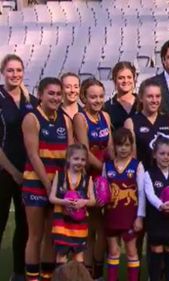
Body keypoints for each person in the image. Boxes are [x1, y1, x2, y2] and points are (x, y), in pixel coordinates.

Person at [22, 77, 73, 281]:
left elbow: (70, 154)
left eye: (58, 94)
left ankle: (47, 277)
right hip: (37, 183)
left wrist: (66, 185)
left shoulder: (65, 120)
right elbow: (33, 155)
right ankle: (32, 278)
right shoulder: (31, 118)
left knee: (53, 237)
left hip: (58, 186)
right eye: (50, 93)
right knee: (35, 235)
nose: (55, 97)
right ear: (40, 94)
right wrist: (48, 185)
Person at [0, 54, 37, 281]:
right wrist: (13, 172)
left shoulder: (29, 98)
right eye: (10, 70)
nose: (15, 74)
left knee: (25, 226)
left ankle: (19, 273)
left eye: (18, 70)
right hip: (4, 171)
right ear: (3, 72)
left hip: (27, 172)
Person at [73, 78, 112, 280]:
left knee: (102, 227)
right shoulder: (80, 118)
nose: (97, 100)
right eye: (93, 96)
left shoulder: (105, 115)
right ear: (84, 98)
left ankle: (95, 270)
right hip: (89, 177)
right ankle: (92, 272)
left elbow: (111, 146)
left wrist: (116, 170)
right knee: (93, 227)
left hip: (105, 175)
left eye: (100, 96)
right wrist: (106, 171)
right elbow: (85, 152)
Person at [103, 128, 145, 281]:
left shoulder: (137, 166)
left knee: (131, 252)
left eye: (127, 145)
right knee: (113, 252)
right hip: (111, 216)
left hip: (130, 218)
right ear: (114, 146)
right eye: (120, 145)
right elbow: (103, 191)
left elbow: (141, 194)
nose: (123, 149)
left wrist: (140, 217)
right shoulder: (107, 166)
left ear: (132, 146)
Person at [144, 137, 169, 281]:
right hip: (156, 220)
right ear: (155, 154)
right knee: (156, 251)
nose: (165, 157)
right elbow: (150, 194)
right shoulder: (148, 174)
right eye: (162, 154)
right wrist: (161, 205)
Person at [49, 144, 96, 266]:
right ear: (68, 159)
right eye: (76, 159)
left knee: (79, 256)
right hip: (61, 224)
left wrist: (84, 202)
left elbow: (93, 201)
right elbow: (52, 198)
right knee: (61, 255)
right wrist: (64, 202)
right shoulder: (59, 176)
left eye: (83, 159)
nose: (79, 162)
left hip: (79, 225)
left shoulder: (87, 179)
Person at [124, 79, 169, 171]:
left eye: (158, 96)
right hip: (143, 176)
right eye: (150, 96)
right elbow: (132, 158)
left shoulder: (168, 120)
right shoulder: (131, 122)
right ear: (141, 98)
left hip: (166, 178)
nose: (154, 100)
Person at [104, 61, 138, 130]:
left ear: (134, 79)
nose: (125, 81)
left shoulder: (143, 103)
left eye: (129, 77)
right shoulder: (107, 107)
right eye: (121, 78)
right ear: (114, 80)